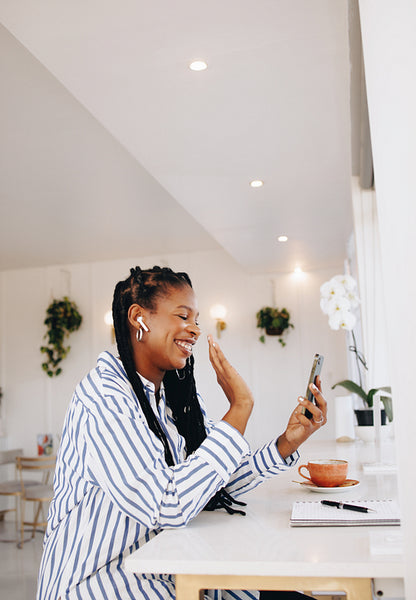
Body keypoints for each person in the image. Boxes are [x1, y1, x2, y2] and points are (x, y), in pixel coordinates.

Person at [37, 266, 327, 600]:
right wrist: (240, 407)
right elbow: (167, 504)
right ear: (138, 318)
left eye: (196, 319)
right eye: (182, 316)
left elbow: (208, 484)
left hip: (170, 576)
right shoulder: (104, 396)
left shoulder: (175, 399)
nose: (194, 330)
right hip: (108, 585)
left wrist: (286, 442)